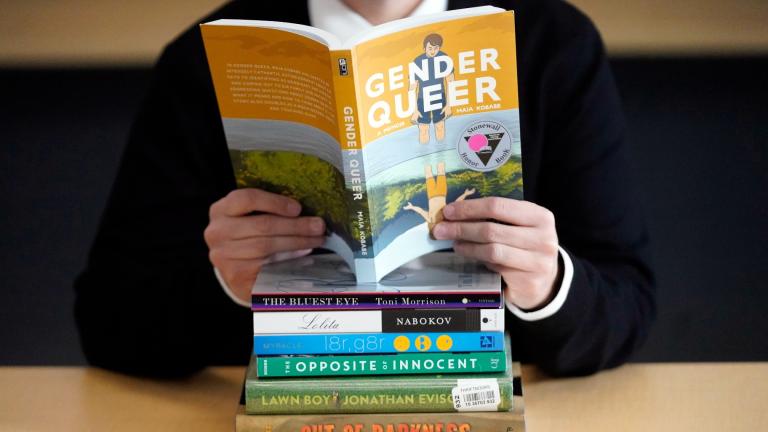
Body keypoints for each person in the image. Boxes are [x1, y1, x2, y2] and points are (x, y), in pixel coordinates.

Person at [75, 0, 655, 378]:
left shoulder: (552, 44)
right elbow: (107, 320)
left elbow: (628, 304)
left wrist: (547, 282)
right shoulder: (208, 58)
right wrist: (225, 285)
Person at [403, 162, 475, 238]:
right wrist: (465, 194)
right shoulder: (445, 218)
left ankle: (425, 158)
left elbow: (420, 211)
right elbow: (456, 203)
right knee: (441, 168)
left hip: (431, 195)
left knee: (428, 172)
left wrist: (411, 207)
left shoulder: (430, 219)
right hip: (442, 193)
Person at [409, 33, 454, 143]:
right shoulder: (418, 61)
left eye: (436, 48)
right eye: (430, 48)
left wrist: (449, 105)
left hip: (439, 97)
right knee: (423, 129)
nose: (433, 51)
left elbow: (450, 82)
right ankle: (424, 158)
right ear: (424, 48)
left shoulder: (444, 58)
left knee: (440, 126)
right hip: (422, 99)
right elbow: (412, 87)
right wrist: (414, 110)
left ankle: (442, 156)